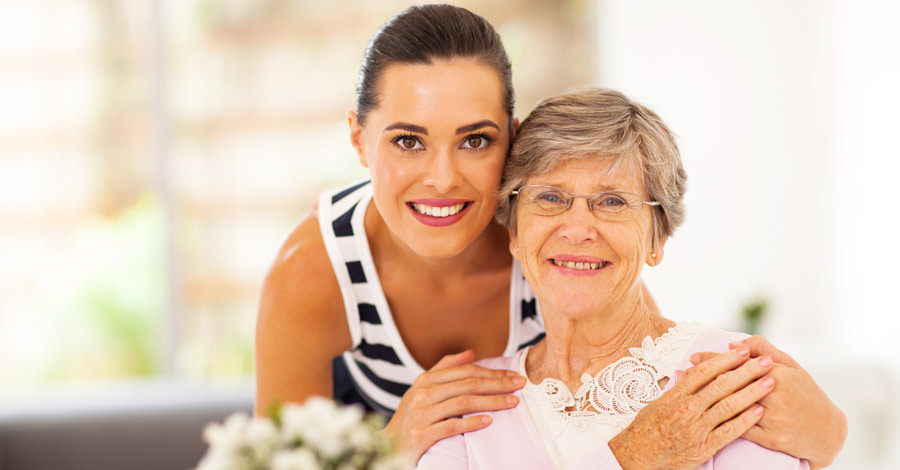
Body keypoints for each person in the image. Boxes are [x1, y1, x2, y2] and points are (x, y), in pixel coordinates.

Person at [254, 4, 846, 467]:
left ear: (510, 138)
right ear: (359, 139)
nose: (442, 178)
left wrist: (829, 432)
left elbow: (640, 356)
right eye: (408, 140)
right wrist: (391, 449)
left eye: (475, 139)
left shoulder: (547, 238)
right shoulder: (315, 270)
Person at [420, 87, 813, 469]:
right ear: (515, 234)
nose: (576, 229)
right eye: (550, 197)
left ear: (657, 238)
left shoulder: (729, 378)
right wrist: (630, 458)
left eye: (612, 201)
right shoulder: (465, 404)